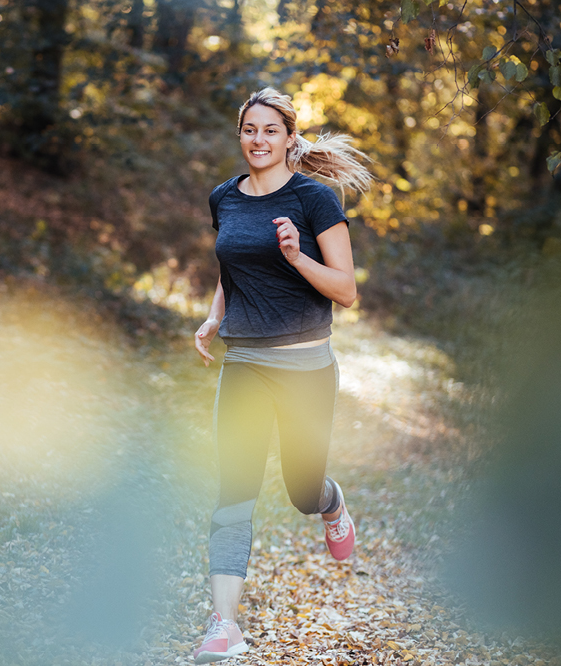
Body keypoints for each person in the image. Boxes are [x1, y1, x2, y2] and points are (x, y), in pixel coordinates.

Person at [191, 87, 372, 664]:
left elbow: (345, 291)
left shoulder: (314, 200)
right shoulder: (224, 196)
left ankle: (330, 501)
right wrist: (215, 316)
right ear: (240, 135)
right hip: (244, 360)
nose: (259, 140)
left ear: (290, 138)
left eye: (271, 130)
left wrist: (297, 257)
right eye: (250, 130)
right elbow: (231, 265)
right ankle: (224, 626)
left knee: (299, 490)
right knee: (233, 491)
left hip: (305, 365)